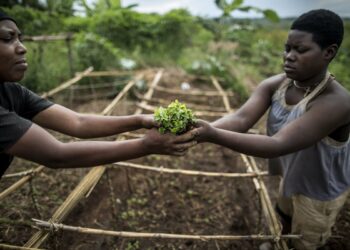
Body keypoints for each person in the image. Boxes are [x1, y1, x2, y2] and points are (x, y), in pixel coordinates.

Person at [194, 9, 350, 250]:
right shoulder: (277, 85)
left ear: (329, 52)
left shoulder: (337, 102)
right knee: (285, 213)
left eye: (301, 50)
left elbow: (276, 145)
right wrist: (195, 130)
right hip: (291, 171)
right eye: (288, 48)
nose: (289, 56)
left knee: (306, 239)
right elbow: (240, 118)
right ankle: (280, 243)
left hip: (319, 188)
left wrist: (210, 134)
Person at [0, 11, 197, 178]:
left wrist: (140, 120)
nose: (22, 48)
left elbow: (78, 122)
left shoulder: (12, 92)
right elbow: (56, 154)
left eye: (20, 38)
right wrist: (147, 145)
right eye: (8, 39)